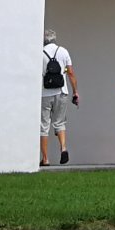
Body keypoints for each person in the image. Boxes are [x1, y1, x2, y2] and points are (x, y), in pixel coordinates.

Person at [40, 29, 77, 168]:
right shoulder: (63, 51)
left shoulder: (40, 52)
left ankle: (45, 159)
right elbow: (70, 72)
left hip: (44, 93)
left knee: (44, 126)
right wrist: (75, 92)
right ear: (54, 39)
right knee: (60, 123)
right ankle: (63, 148)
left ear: (44, 40)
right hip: (61, 92)